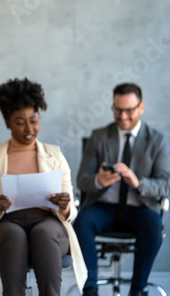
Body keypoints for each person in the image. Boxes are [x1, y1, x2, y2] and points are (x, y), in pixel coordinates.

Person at [0, 78, 87, 296]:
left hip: (48, 221)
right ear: (7, 122)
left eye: (34, 120)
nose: (29, 128)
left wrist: (64, 205)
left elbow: (71, 211)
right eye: (20, 122)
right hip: (5, 224)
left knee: (44, 233)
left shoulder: (54, 155)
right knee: (13, 235)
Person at [74, 83, 170, 296]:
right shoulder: (99, 136)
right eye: (118, 110)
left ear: (141, 107)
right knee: (82, 221)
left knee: (154, 226)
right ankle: (90, 290)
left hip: (139, 208)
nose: (123, 116)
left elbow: (166, 184)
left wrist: (138, 182)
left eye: (129, 110)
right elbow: (81, 180)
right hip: (103, 206)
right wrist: (98, 181)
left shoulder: (157, 140)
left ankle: (138, 288)